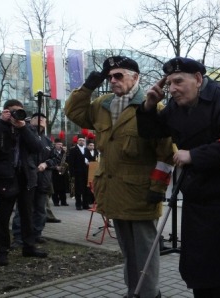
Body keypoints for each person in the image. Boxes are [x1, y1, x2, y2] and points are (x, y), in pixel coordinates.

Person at [137, 57, 220, 298]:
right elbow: (153, 132)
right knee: (199, 268)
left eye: (178, 81)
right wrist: (149, 106)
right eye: (169, 83)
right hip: (196, 195)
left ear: (198, 79)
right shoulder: (175, 106)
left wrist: (193, 155)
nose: (172, 89)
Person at [65, 55, 174, 298]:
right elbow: (73, 111)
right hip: (114, 192)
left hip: (141, 193)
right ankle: (132, 292)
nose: (112, 80)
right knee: (127, 251)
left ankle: (148, 294)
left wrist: (157, 187)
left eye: (118, 75)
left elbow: (166, 153)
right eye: (109, 76)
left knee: (145, 252)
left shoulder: (151, 107)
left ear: (136, 78)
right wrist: (89, 86)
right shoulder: (103, 105)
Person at [0, 99, 47, 266]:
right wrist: (2, 123)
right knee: (3, 216)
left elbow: (37, 147)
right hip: (5, 178)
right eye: (13, 111)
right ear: (6, 112)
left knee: (27, 215)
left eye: (20, 111)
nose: (17, 115)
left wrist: (22, 128)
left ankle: (29, 247)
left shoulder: (27, 128)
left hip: (26, 177)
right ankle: (2, 251)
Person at [12, 113, 60, 246]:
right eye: (37, 118)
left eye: (43, 119)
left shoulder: (48, 142)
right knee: (23, 209)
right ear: (30, 121)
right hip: (27, 179)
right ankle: (18, 236)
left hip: (43, 180)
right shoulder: (23, 137)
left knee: (40, 209)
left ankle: (36, 233)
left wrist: (46, 164)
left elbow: (56, 158)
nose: (41, 121)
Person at [67, 134, 90, 210]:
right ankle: (78, 204)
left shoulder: (87, 150)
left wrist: (88, 162)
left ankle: (85, 204)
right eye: (80, 140)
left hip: (86, 172)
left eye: (83, 140)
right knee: (78, 189)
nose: (81, 141)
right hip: (77, 172)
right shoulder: (73, 150)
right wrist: (72, 173)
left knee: (86, 189)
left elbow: (90, 160)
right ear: (77, 141)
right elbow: (71, 162)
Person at [51, 139, 69, 207]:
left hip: (62, 172)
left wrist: (64, 167)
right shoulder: (51, 152)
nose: (60, 146)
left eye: (61, 144)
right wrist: (56, 167)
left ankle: (63, 201)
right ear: (55, 145)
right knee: (55, 188)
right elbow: (49, 162)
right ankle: (56, 202)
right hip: (55, 172)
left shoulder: (63, 152)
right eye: (58, 144)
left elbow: (66, 161)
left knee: (63, 187)